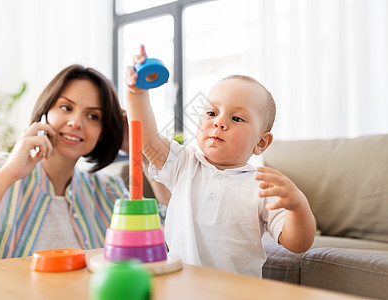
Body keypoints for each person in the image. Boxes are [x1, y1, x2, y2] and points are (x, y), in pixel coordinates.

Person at [125, 45, 316, 277]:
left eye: (236, 118)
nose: (219, 123)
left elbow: (298, 243)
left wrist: (298, 206)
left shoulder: (261, 185)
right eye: (212, 113)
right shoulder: (184, 163)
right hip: (179, 287)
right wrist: (137, 93)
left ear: (261, 143)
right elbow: (148, 140)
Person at [0, 65, 130, 265]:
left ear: (103, 132)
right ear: (46, 111)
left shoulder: (109, 190)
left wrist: (140, 149)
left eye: (93, 116)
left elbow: (164, 234)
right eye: (66, 107)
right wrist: (8, 174)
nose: (76, 122)